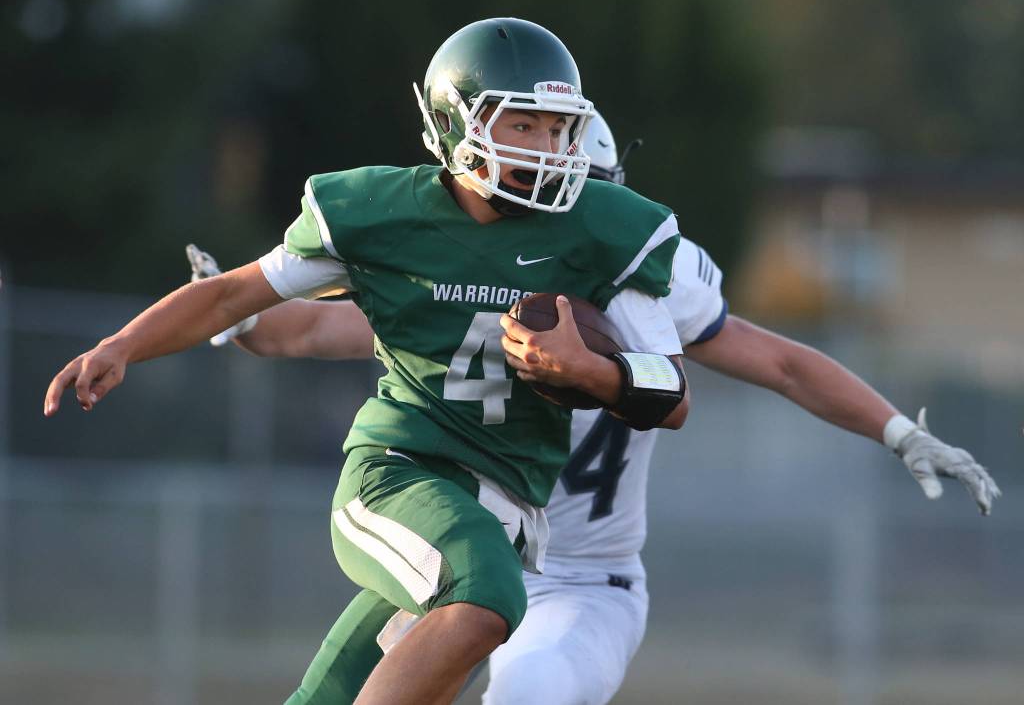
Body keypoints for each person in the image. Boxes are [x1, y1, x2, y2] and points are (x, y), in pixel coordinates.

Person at [185, 112, 1001, 705]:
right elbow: (328, 325)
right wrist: (237, 313)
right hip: (473, 544)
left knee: (529, 688)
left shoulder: (654, 278)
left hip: (580, 584)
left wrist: (896, 430)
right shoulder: (479, 274)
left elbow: (783, 362)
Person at [43, 18, 693, 705]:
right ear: (455, 123)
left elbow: (672, 391)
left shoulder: (605, 228)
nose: (548, 149)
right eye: (522, 127)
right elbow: (232, 293)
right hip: (398, 477)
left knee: (343, 691)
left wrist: (588, 371)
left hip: (503, 503)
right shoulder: (379, 214)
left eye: (557, 129)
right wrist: (122, 345)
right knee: (487, 598)